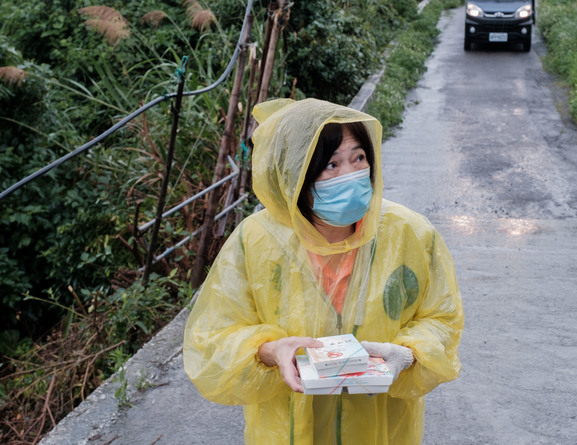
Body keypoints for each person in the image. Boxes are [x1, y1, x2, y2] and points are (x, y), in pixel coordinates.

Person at [183, 98, 464, 444]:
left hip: (382, 430)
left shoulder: (410, 235)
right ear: (296, 173)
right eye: (331, 165)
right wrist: (269, 351)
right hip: (287, 430)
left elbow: (442, 318)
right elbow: (212, 337)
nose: (350, 175)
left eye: (359, 158)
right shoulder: (256, 242)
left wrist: (408, 353)